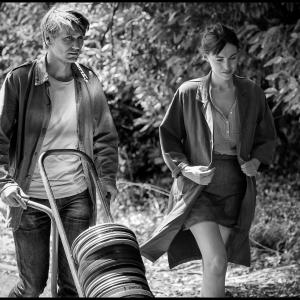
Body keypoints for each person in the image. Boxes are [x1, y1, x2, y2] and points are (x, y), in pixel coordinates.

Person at [141, 23, 277, 297]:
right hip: (197, 189)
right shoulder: (189, 92)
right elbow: (168, 137)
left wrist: (257, 162)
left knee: (215, 266)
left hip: (234, 188)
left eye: (233, 58)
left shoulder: (251, 92)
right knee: (216, 260)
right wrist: (186, 169)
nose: (227, 66)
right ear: (206, 57)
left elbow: (268, 138)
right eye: (219, 59)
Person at [0, 4, 119, 297]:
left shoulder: (88, 80)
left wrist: (106, 180)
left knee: (73, 285)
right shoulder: (20, 80)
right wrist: (5, 184)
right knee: (32, 286)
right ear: (48, 39)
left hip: (77, 194)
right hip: (31, 197)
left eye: (80, 38)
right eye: (69, 38)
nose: (77, 45)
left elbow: (105, 135)